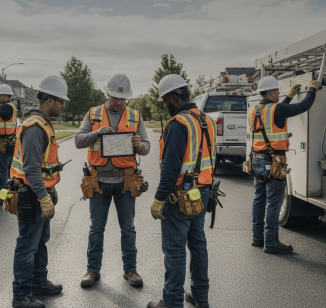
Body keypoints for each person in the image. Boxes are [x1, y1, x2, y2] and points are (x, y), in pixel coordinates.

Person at [75, 73, 150, 288]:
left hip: (126, 182)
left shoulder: (135, 116)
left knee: (128, 228)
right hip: (98, 182)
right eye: (115, 97)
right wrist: (96, 133)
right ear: (107, 93)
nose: (119, 102)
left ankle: (130, 270)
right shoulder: (93, 114)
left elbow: (146, 147)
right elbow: (79, 141)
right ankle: (92, 270)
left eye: (123, 98)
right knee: (96, 228)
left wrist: (139, 145)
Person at [148, 74, 216, 308]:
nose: (166, 106)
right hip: (202, 193)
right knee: (198, 245)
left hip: (179, 196)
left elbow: (170, 168)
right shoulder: (205, 119)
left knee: (175, 251)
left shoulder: (178, 124)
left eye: (166, 101)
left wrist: (158, 199)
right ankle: (199, 295)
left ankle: (172, 302)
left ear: (175, 97)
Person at [10, 75, 69, 308]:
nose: (63, 105)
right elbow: (32, 168)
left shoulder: (43, 123)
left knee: (40, 241)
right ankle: (21, 295)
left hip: (40, 192)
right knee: (27, 246)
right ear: (49, 101)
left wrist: (49, 190)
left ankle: (38, 282)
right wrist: (44, 198)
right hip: (31, 195)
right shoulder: (35, 127)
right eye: (61, 101)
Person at [249, 76, 322, 254]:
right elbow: (303, 106)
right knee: (273, 203)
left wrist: (289, 96)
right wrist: (312, 89)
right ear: (273, 92)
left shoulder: (255, 110)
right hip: (274, 162)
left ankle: (258, 238)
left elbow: (275, 114)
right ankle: (271, 242)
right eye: (278, 93)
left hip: (257, 161)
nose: (279, 95)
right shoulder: (277, 109)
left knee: (259, 200)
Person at [0, 84, 17, 205]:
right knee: (6, 170)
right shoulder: (10, 107)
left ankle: (3, 197)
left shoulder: (7, 108)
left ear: (6, 96)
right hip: (8, 143)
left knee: (3, 171)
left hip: (4, 144)